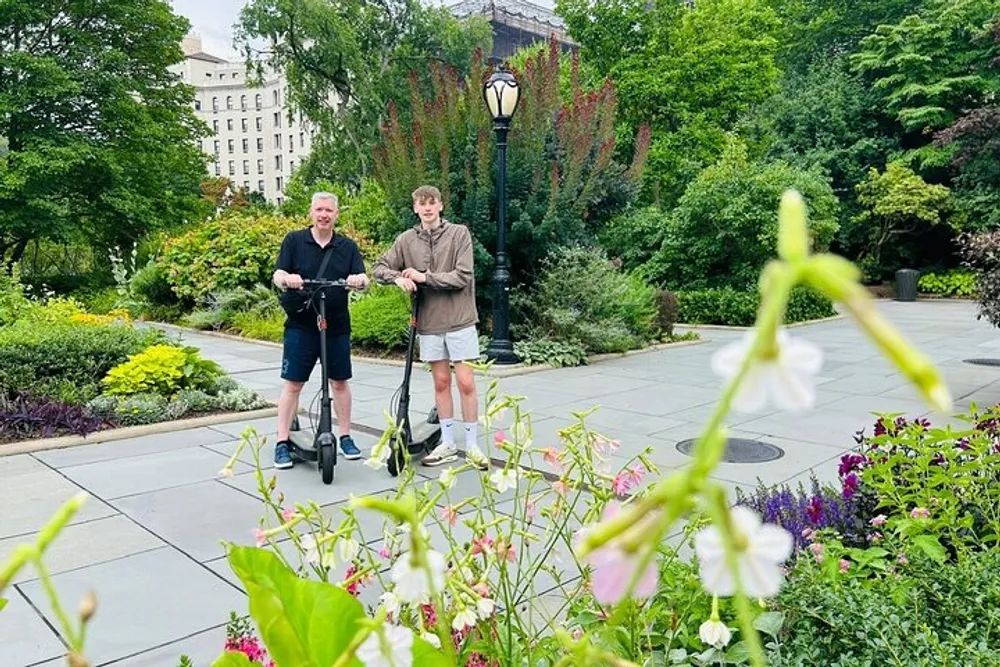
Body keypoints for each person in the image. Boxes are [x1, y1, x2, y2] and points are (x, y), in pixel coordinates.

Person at [373, 185, 485, 468]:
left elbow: (463, 276)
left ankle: (472, 445)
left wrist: (424, 278)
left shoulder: (459, 234)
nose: (427, 208)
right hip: (429, 322)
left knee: (466, 382)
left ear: (440, 205)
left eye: (432, 202)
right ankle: (447, 443)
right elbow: (379, 267)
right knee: (441, 382)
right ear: (415, 208)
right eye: (421, 204)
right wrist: (397, 278)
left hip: (460, 319)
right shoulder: (406, 239)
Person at [271, 192, 369, 469]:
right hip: (302, 324)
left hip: (336, 324)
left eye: (329, 210)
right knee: (293, 383)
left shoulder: (346, 246)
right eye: (319, 210)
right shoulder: (294, 240)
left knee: (339, 381)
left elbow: (363, 277)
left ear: (336, 214)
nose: (324, 214)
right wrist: (286, 278)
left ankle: (346, 436)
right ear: (311, 212)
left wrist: (358, 280)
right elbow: (278, 273)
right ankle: (281, 441)